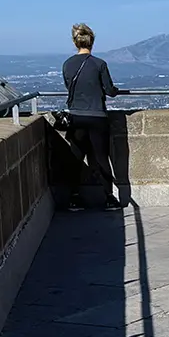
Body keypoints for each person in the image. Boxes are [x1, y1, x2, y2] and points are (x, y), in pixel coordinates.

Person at [61, 23, 124, 211]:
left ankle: (74, 197)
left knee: (76, 158)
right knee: (102, 158)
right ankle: (109, 197)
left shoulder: (67, 64)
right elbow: (110, 90)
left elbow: (68, 86)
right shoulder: (99, 64)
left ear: (75, 42)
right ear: (92, 42)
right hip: (97, 116)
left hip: (76, 116)